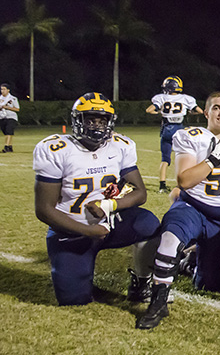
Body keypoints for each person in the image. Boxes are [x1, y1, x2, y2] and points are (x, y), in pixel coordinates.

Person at [33, 92, 161, 306]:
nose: (97, 125)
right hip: (71, 231)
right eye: (90, 119)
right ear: (77, 120)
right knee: (74, 299)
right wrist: (88, 231)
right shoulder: (55, 149)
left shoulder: (120, 145)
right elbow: (44, 209)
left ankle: (142, 282)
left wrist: (110, 205)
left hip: (110, 223)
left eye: (102, 120)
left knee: (148, 223)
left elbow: (140, 193)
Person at [137, 92, 220, 329]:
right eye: (216, 108)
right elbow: (184, 180)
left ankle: (189, 260)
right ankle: (158, 302)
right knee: (169, 238)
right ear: (206, 113)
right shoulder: (192, 136)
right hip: (193, 207)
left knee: (209, 283)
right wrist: (212, 161)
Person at [146, 76, 203, 193]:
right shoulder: (186, 99)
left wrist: (160, 112)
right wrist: (189, 112)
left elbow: (149, 110)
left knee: (165, 159)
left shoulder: (161, 98)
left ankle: (162, 186)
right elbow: (200, 111)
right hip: (180, 129)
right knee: (185, 157)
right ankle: (187, 184)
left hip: (167, 129)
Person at [0, 83, 20, 153]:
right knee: (6, 132)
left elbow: (17, 109)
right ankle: (10, 146)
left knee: (9, 131)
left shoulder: (13, 98)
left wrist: (7, 107)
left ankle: (6, 146)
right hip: (2, 117)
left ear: (8, 90)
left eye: (4, 89)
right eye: (1, 89)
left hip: (11, 117)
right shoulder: (0, 98)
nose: (2, 91)